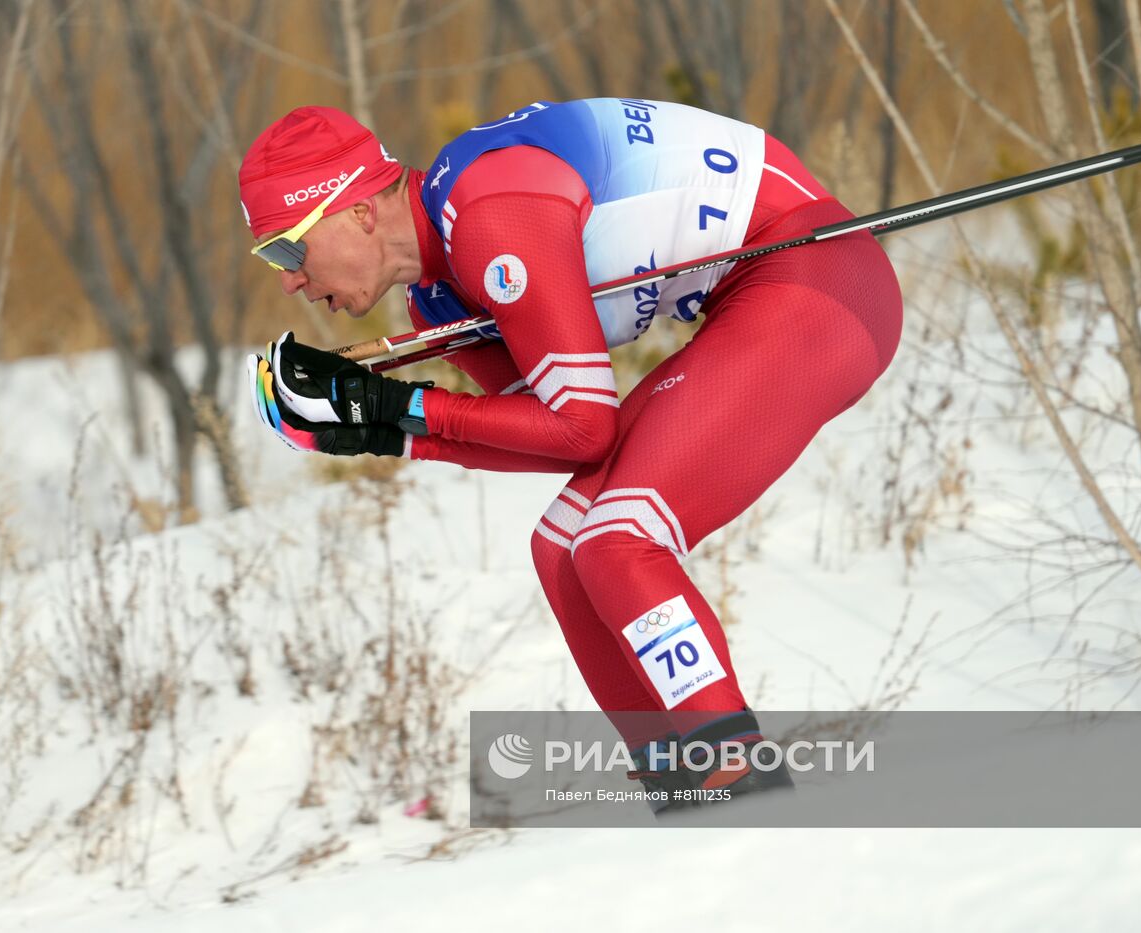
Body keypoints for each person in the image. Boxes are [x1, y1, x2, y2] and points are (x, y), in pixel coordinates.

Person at [241, 99, 902, 812]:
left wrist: (402, 408)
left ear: (356, 212)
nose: (287, 279)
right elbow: (559, 437)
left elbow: (582, 428)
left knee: (620, 537)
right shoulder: (437, 301)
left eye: (286, 248)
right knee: (562, 546)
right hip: (755, 297)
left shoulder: (489, 206)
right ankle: (676, 784)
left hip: (818, 277)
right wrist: (388, 429)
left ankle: (738, 782)